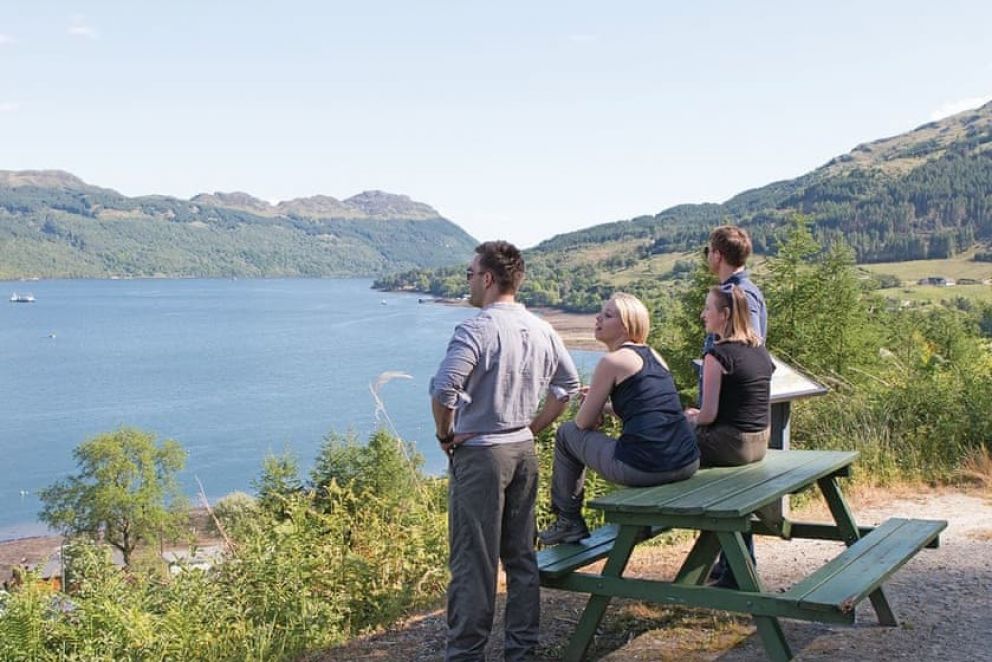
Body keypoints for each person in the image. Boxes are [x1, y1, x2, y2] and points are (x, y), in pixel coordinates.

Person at [430, 240, 580, 662]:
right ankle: (520, 651)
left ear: (489, 278)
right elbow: (566, 389)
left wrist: (445, 434)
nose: (469, 282)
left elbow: (444, 388)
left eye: (470, 274)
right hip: (523, 451)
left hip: (481, 454)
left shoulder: (476, 328)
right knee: (521, 556)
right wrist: (531, 427)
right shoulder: (543, 328)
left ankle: (465, 654)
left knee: (473, 562)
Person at [538, 293, 699, 546]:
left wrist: (594, 407)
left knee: (566, 434)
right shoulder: (655, 356)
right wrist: (606, 407)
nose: (598, 318)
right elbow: (646, 411)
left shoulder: (612, 361)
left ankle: (568, 520)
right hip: (686, 461)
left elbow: (581, 425)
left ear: (626, 326)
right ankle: (578, 521)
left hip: (645, 468)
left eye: (608, 315)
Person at [696, 225, 768, 588]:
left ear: (718, 255)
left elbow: (740, 349)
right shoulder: (749, 290)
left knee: (725, 489)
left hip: (729, 422)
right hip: (735, 419)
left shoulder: (735, 296)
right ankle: (726, 564)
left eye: (708, 251)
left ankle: (738, 567)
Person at [685, 286, 775, 465]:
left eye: (708, 308)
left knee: (667, 435)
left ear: (724, 314)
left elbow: (708, 416)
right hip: (761, 443)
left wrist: (689, 417)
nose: (703, 314)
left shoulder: (717, 355)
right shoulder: (760, 350)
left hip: (732, 446)